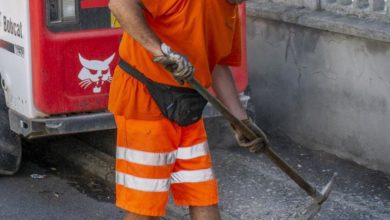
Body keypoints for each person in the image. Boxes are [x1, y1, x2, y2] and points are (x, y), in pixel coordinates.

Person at [108, 0, 264, 219]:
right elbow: (120, 4)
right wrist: (161, 51)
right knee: (145, 209)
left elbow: (217, 64)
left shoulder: (230, 12)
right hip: (145, 101)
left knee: (204, 199)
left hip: (186, 108)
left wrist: (240, 121)